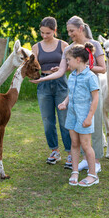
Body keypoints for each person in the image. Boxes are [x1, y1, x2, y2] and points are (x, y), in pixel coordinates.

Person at [30, 16, 106, 173]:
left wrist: (84, 67)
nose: (70, 34)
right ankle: (85, 159)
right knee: (78, 126)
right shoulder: (68, 49)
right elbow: (61, 71)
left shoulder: (95, 45)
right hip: (75, 94)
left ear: (80, 29)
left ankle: (96, 161)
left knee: (94, 125)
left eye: (72, 31)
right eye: (68, 31)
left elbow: (103, 68)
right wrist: (43, 80)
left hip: (91, 92)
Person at [31, 17, 72, 168]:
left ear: (55, 30)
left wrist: (62, 69)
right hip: (43, 84)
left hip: (61, 84)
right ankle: (54, 151)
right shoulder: (36, 47)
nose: (44, 36)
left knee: (64, 120)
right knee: (48, 121)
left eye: (48, 33)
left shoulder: (64, 45)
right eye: (42, 33)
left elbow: (72, 65)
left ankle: (70, 153)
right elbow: (33, 66)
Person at [58, 42, 100, 186]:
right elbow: (71, 94)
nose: (67, 63)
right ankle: (74, 171)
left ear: (78, 60)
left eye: (68, 60)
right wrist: (65, 102)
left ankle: (93, 175)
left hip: (84, 116)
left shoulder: (90, 76)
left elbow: (95, 99)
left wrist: (89, 117)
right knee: (74, 143)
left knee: (86, 145)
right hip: (72, 114)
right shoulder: (72, 76)